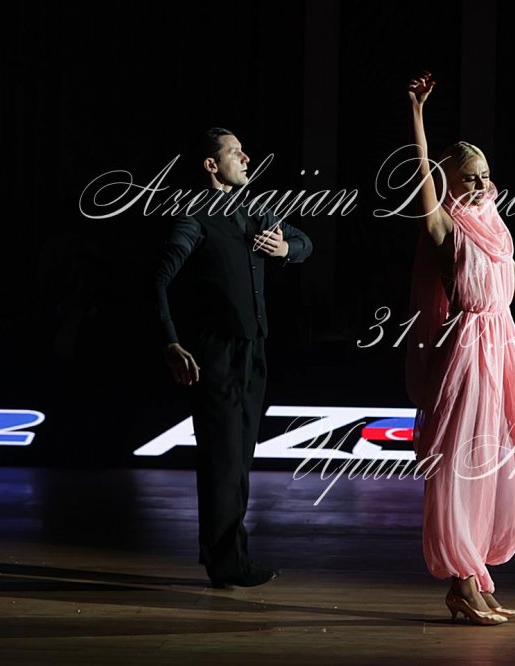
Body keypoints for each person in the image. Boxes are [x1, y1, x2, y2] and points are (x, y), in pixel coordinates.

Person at [405, 73, 515, 625]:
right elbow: (422, 173)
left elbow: (509, 267)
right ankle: (462, 582)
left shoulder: (492, 220)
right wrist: (418, 114)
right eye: (468, 177)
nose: (480, 183)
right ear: (449, 182)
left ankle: (474, 577)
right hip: (468, 351)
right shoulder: (443, 226)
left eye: (485, 175)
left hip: (504, 346)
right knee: (462, 464)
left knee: (504, 459)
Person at [153, 127, 313, 588]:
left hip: (253, 350)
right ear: (211, 165)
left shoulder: (254, 211)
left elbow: (306, 243)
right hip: (215, 353)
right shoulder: (194, 217)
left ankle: (228, 558)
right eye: (235, 152)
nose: (246, 158)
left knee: (239, 458)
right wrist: (170, 341)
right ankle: (226, 562)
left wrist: (286, 249)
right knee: (222, 460)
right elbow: (157, 280)